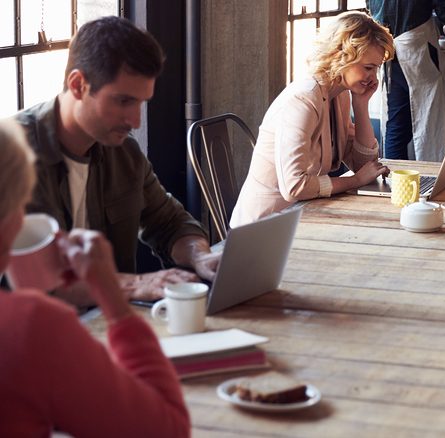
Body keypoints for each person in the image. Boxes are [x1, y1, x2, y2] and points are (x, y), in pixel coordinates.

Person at [0, 119, 190, 437]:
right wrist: (114, 301)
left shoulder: (126, 154)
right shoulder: (29, 326)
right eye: (21, 204)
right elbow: (166, 430)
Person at [15, 16, 219, 301]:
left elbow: (169, 222)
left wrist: (201, 257)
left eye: (140, 102)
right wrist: (135, 284)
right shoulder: (12, 157)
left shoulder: (123, 151)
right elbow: (39, 281)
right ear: (78, 85)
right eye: (123, 101)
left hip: (109, 322)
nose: (135, 121)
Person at [230, 11, 394, 227]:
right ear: (341, 56)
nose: (374, 78)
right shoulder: (303, 100)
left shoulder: (340, 94)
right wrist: (353, 181)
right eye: (368, 68)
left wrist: (361, 105)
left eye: (377, 68)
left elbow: (365, 167)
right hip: (262, 230)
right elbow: (294, 187)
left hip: (303, 216)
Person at [368, 0, 445, 162]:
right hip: (418, 46)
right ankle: (430, 178)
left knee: (397, 123)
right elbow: (443, 7)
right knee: (429, 118)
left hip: (386, 43)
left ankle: (395, 180)